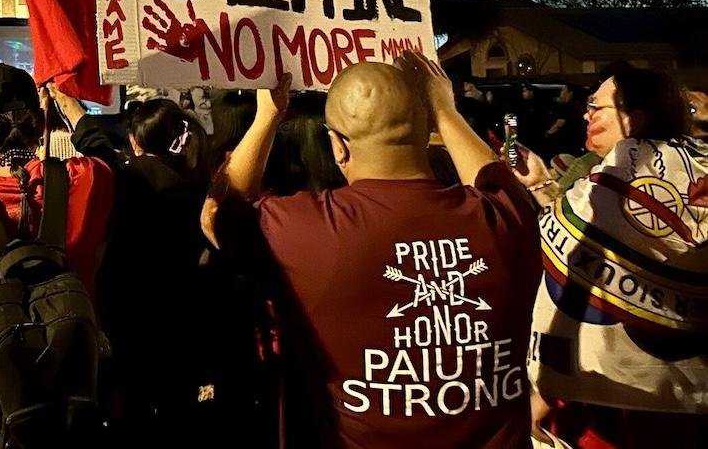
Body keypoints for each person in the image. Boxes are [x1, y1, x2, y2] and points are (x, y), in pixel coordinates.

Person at [204, 54, 541, 448]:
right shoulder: (507, 217)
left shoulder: (308, 231)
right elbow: (492, 177)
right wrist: (446, 111)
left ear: (338, 146)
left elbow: (216, 214)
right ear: (429, 131)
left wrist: (267, 117)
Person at [514, 65, 708, 446]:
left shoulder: (620, 178)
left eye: (595, 106)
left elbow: (577, 258)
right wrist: (541, 182)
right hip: (684, 391)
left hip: (625, 402)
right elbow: (593, 238)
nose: (585, 115)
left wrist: (549, 390)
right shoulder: (689, 169)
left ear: (630, 118)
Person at [0, 64, 114, 310]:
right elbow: (110, 164)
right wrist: (69, 106)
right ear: (40, 123)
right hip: (74, 342)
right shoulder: (84, 177)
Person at [99, 98, 209, 446]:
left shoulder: (123, 180)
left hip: (131, 314)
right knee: (179, 411)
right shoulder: (197, 179)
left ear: (135, 140)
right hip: (183, 312)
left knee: (133, 411)